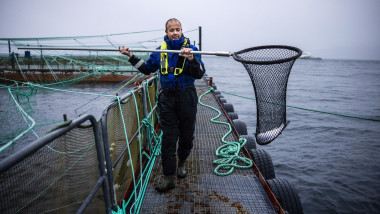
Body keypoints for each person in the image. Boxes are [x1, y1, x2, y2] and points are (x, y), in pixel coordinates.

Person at [119, 18, 205, 192]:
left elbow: (199, 74)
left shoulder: (193, 50)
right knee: (168, 138)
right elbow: (147, 68)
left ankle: (181, 163)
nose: (174, 32)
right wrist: (130, 56)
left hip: (187, 96)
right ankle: (168, 177)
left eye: (177, 29)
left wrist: (191, 59)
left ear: (181, 31)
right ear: (166, 32)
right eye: (171, 30)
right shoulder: (159, 52)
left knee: (187, 137)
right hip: (167, 99)